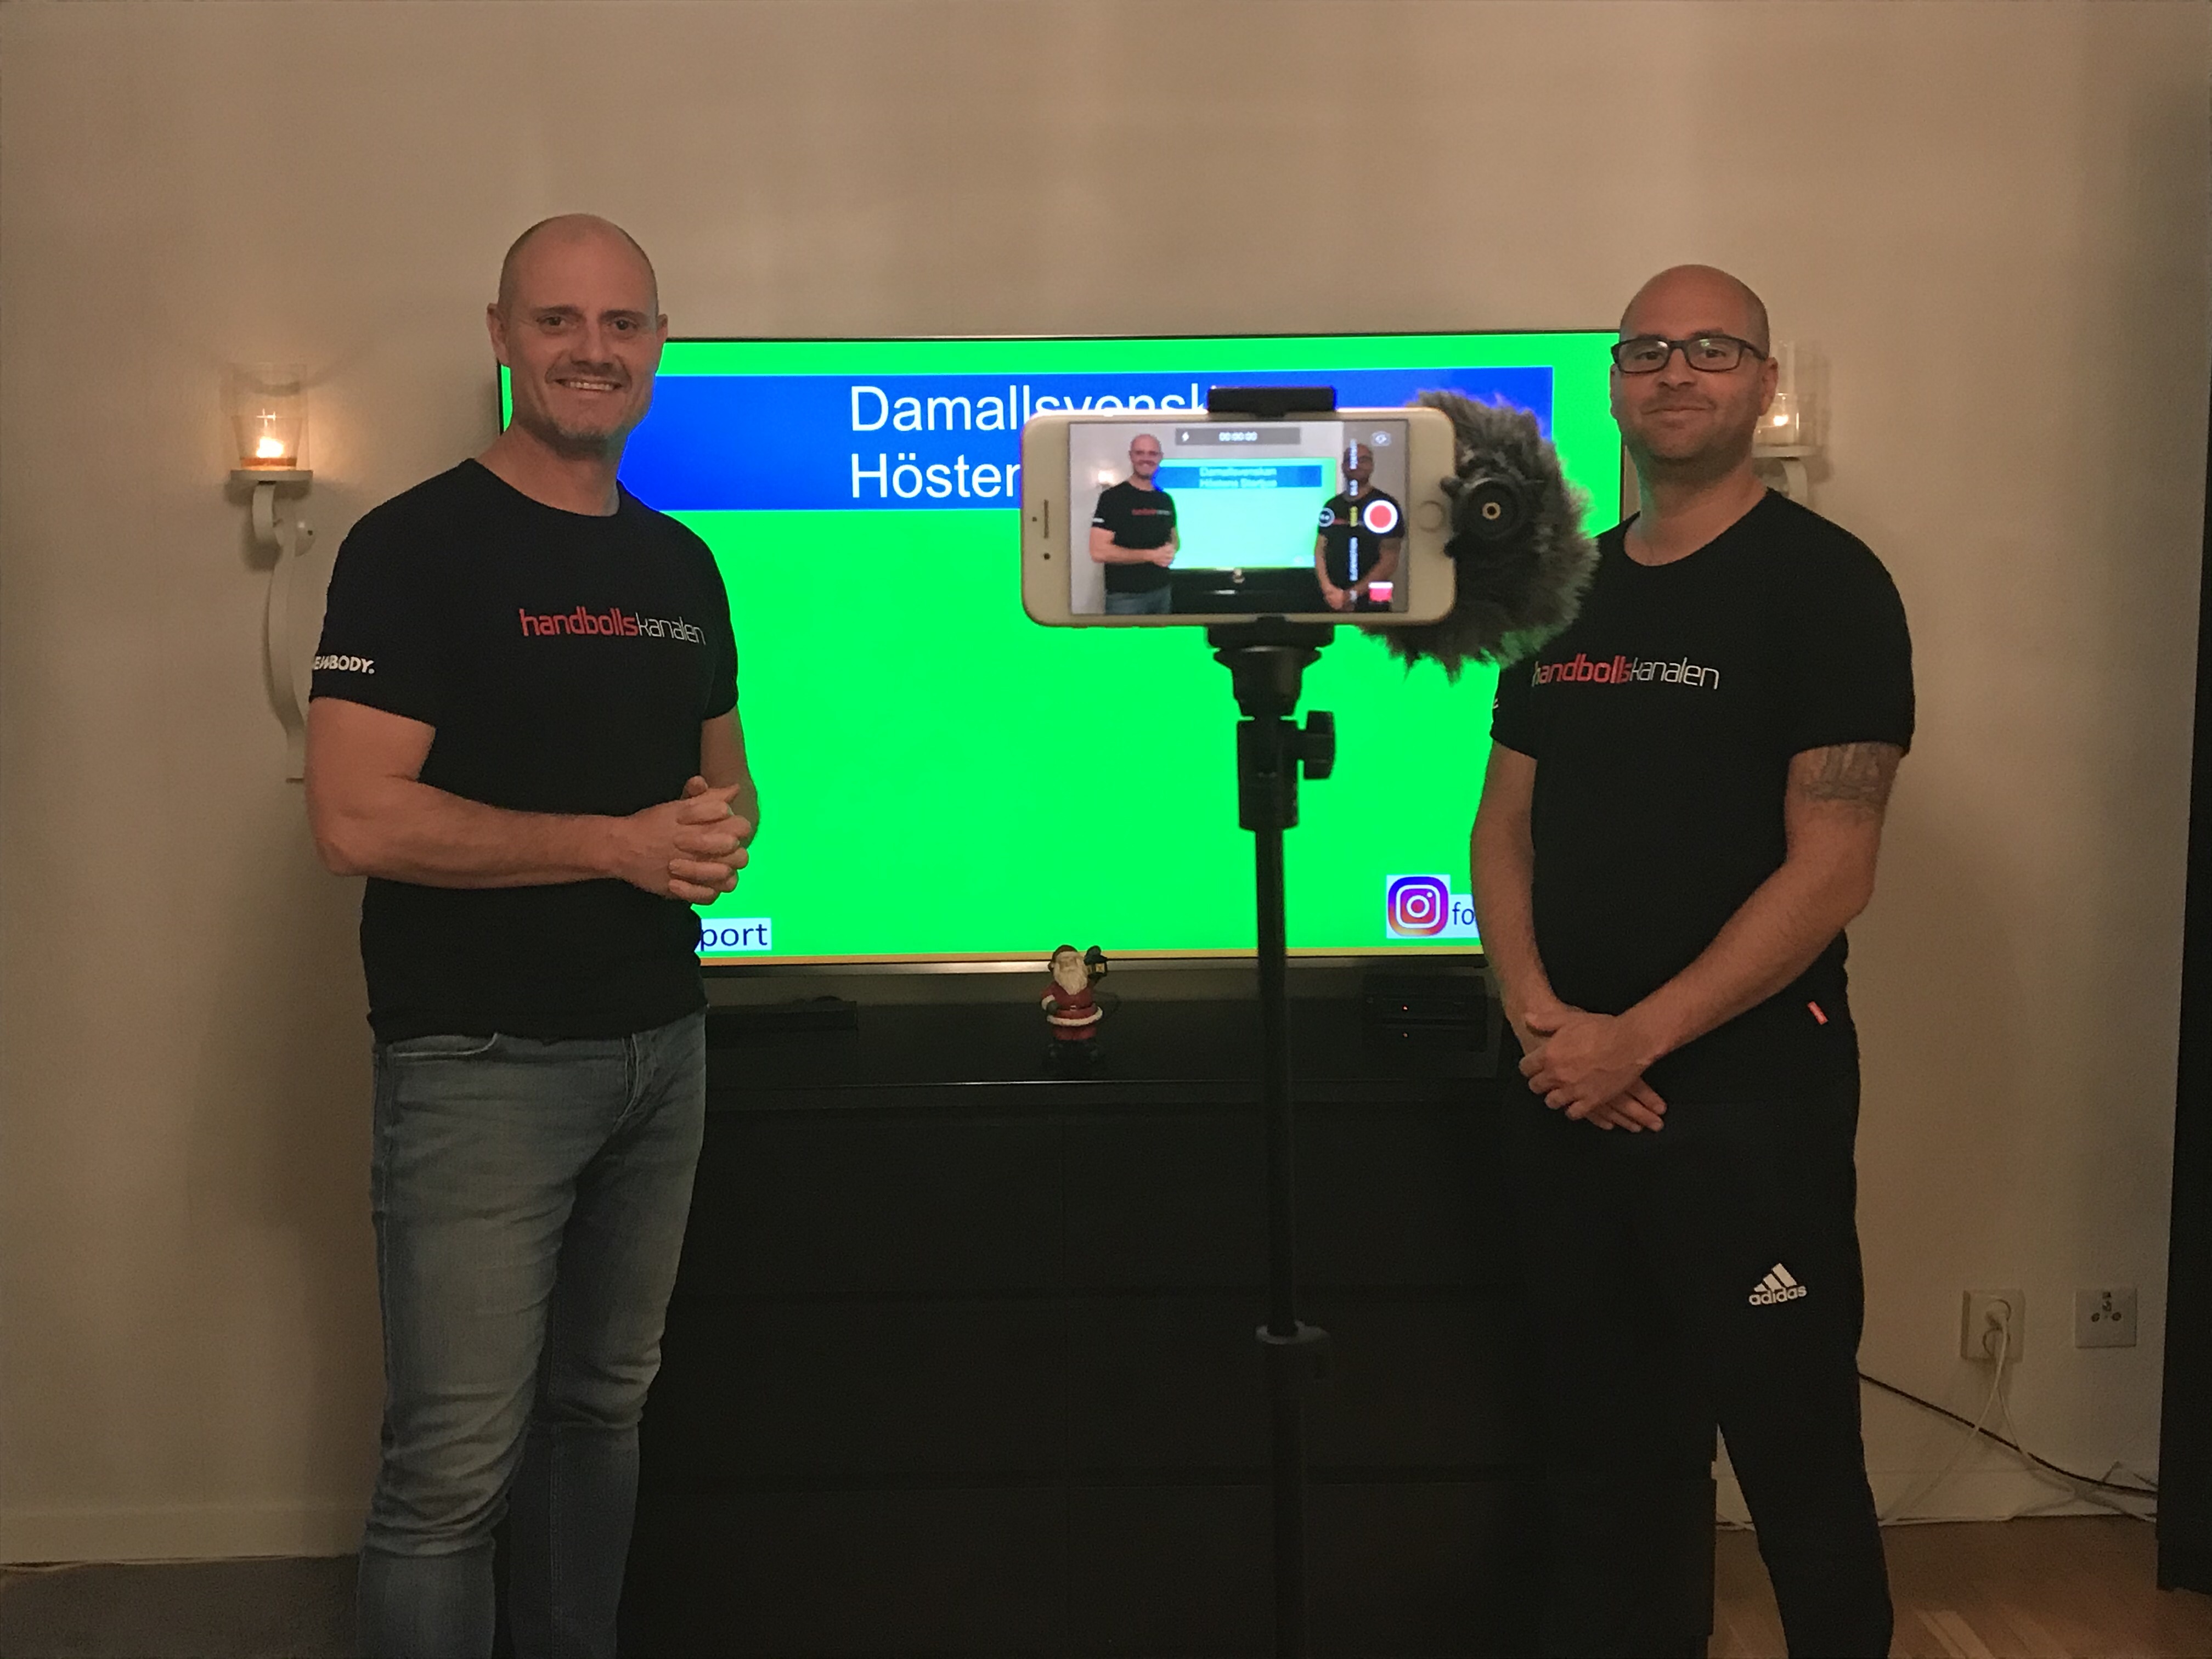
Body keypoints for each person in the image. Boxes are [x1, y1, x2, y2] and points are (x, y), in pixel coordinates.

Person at [303, 214, 759, 1659]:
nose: (592, 350)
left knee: (599, 1414)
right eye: (558, 321)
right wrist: (616, 845)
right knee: (451, 1473)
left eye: (622, 324)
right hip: (479, 1063)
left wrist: (715, 832)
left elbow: (727, 781)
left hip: (660, 1050)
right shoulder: (412, 548)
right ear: (500, 335)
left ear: (658, 348)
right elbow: (354, 820)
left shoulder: (682, 565)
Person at [1472, 264, 1912, 1658]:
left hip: (1747, 1106)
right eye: (1648, 350)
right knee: (1602, 1461)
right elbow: (1501, 830)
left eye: (1713, 350)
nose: (1676, 372)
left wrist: (1635, 1039)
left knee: (1796, 1459)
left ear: (1763, 387)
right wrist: (1543, 1023)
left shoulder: (1828, 586)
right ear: (1614, 384)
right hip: (1568, 1094)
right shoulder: (1565, 590)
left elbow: (1835, 865)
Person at [1089, 431, 1178, 614]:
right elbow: (1098, 551)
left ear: (1160, 458)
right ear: (1131, 456)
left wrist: (1171, 550)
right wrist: (1152, 556)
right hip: (1125, 598)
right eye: (1140, 453)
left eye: (1152, 454)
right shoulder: (1112, 498)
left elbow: (1174, 538)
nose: (1146, 459)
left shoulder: (1165, 500)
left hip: (1162, 592)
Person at [1313, 441, 1404, 612]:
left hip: (1372, 601)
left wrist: (1351, 595)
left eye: (1363, 460)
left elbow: (1389, 559)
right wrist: (1329, 591)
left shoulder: (1385, 505)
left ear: (1371, 466)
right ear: (1343, 466)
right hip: (1333, 601)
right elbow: (1319, 550)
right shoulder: (1332, 506)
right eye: (1351, 460)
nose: (1356, 465)